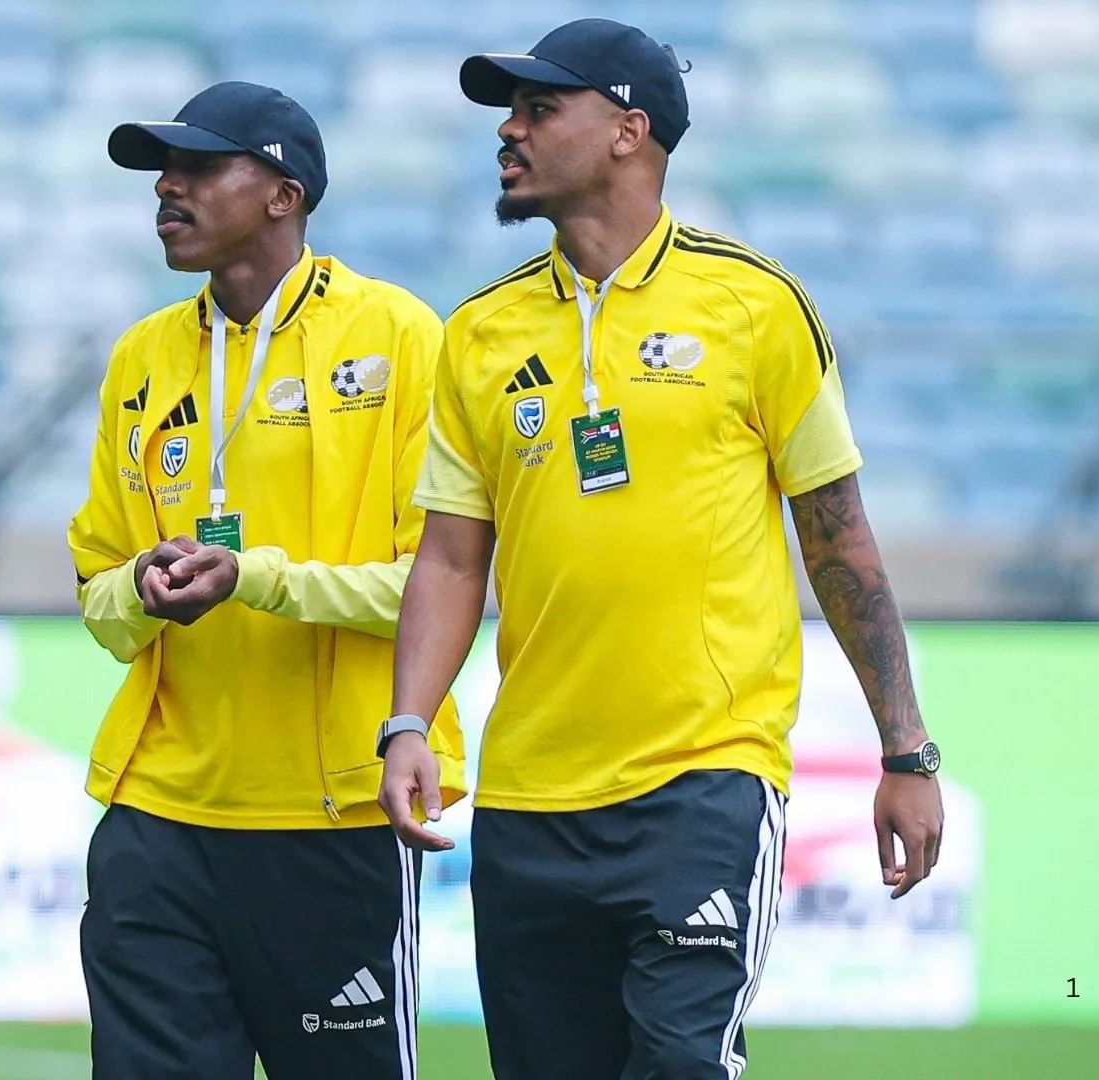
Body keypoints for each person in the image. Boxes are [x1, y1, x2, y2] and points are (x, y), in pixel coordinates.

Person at [375, 20, 946, 1080]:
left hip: (703, 783)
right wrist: (410, 719)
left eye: (541, 108)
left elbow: (840, 540)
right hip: (528, 798)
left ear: (629, 130)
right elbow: (453, 559)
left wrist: (906, 752)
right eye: (512, 110)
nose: (510, 130)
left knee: (684, 1065)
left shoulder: (756, 305)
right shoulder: (480, 333)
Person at [67, 81, 465, 1080]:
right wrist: (144, 590)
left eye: (200, 167)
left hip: (334, 813)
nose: (168, 186)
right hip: (157, 817)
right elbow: (99, 600)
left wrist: (254, 577)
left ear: (284, 192)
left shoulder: (400, 337)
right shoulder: (142, 356)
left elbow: (444, 581)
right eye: (164, 170)